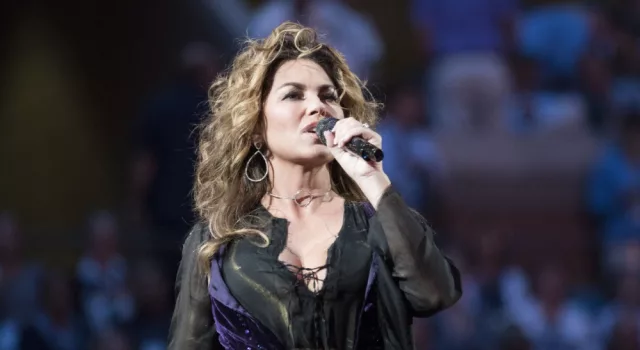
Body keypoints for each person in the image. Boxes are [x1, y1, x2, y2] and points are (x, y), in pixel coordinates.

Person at [168, 22, 462, 350]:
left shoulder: (379, 222)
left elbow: (436, 293)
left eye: (328, 96)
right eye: (294, 94)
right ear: (255, 127)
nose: (318, 106)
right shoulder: (216, 241)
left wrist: (372, 179)